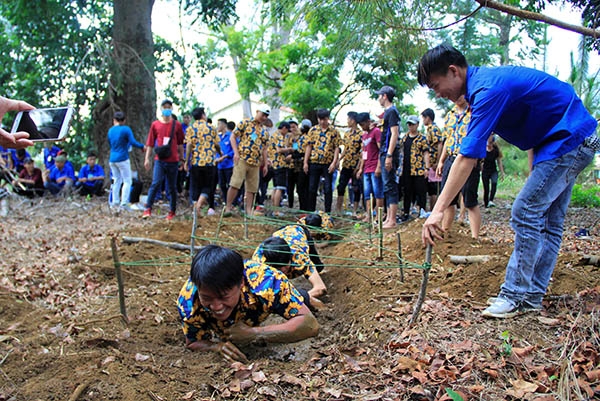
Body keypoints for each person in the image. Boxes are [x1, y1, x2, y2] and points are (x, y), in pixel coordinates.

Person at [418, 44, 598, 318]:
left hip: (569, 138)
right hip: (563, 139)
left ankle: (514, 295)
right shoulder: (483, 89)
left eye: (435, 85)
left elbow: (467, 157)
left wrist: (438, 210)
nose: (437, 94)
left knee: (525, 211)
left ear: (453, 71)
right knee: (548, 221)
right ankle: (530, 296)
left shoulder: (489, 90)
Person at [177, 245, 319, 363]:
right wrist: (216, 347)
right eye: (207, 298)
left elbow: (310, 324)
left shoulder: (268, 282)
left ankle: (309, 298)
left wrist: (254, 334)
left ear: (241, 283)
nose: (216, 306)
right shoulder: (188, 301)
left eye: (223, 297)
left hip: (267, 302)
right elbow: (193, 342)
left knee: (300, 298)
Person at [434, 95, 482, 240]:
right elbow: (447, 140)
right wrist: (441, 161)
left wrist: (477, 158)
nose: (457, 98)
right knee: (447, 198)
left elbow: (480, 137)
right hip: (450, 158)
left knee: (470, 200)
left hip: (468, 159)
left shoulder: (475, 113)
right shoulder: (450, 115)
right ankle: (445, 231)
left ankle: (475, 237)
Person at [252, 224, 327, 307]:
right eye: (279, 267)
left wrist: (303, 298)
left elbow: (321, 288)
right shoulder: (259, 264)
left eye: (286, 264)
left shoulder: (299, 257)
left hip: (298, 230)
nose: (284, 269)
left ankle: (318, 271)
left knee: (318, 265)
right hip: (279, 233)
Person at [142, 99, 185, 221]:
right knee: (156, 183)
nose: (167, 109)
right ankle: (148, 208)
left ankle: (172, 211)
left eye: (169, 107)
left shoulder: (176, 124)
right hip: (160, 159)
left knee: (171, 187)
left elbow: (180, 144)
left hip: (173, 160)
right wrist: (147, 159)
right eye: (164, 107)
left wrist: (182, 159)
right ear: (161, 109)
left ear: (171, 108)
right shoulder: (155, 124)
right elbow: (150, 143)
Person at [224, 108, 270, 216]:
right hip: (242, 159)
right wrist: (236, 153)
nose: (264, 118)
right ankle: (228, 207)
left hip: (256, 162)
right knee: (235, 183)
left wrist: (265, 164)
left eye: (266, 116)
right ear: (257, 111)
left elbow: (264, 148)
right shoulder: (245, 123)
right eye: (263, 114)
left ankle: (249, 210)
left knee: (252, 188)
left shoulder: (264, 131)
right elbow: (233, 137)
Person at [303, 108, 341, 213]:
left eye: (324, 119)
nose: (322, 122)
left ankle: (327, 212)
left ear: (328, 119)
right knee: (312, 188)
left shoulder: (334, 131)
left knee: (328, 189)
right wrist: (305, 162)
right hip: (314, 162)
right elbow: (309, 146)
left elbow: (337, 147)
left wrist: (334, 162)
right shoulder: (313, 130)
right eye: (320, 119)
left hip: (327, 163)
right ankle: (311, 212)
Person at [186, 107, 220, 215]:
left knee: (196, 186)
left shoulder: (191, 128)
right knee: (208, 186)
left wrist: (187, 160)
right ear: (203, 115)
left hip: (196, 162)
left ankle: (197, 209)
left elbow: (189, 145)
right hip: (209, 162)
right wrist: (221, 153)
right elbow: (216, 144)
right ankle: (198, 207)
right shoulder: (211, 127)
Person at [108, 111, 145, 210]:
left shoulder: (110, 131)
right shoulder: (126, 129)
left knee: (116, 180)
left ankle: (115, 202)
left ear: (114, 120)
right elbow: (132, 142)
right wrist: (142, 146)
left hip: (112, 158)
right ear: (124, 120)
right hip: (123, 158)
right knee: (127, 180)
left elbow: (110, 144)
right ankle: (124, 203)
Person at [375, 86, 400, 229]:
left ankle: (392, 219)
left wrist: (389, 155)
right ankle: (389, 218)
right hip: (385, 153)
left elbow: (394, 134)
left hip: (389, 153)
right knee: (387, 185)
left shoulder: (392, 111)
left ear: (384, 96)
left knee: (390, 185)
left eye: (379, 96)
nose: (378, 98)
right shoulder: (387, 113)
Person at [398, 115, 430, 221]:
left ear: (417, 125)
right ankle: (406, 212)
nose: (410, 126)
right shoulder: (404, 138)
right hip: (406, 169)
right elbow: (401, 153)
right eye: (409, 124)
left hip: (418, 169)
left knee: (421, 191)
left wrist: (427, 168)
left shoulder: (422, 138)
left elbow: (426, 153)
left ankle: (422, 211)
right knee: (407, 191)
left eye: (412, 124)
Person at [356, 113, 384, 223]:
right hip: (366, 168)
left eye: (363, 124)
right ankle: (369, 215)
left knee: (378, 192)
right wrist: (360, 168)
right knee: (367, 193)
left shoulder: (376, 132)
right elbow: (364, 152)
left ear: (368, 121)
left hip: (374, 167)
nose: (362, 127)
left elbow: (381, 150)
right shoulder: (364, 136)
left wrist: (379, 166)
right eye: (360, 125)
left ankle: (378, 215)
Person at [336, 112, 363, 215]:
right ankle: (339, 209)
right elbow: (345, 149)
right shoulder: (347, 134)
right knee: (341, 186)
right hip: (346, 164)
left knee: (356, 187)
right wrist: (339, 159)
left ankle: (355, 211)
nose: (347, 121)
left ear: (353, 120)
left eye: (348, 119)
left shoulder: (361, 135)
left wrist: (359, 166)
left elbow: (362, 152)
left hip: (356, 165)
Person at [421, 108, 444, 211]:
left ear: (428, 118)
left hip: (434, 162)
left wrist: (438, 161)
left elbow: (440, 144)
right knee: (430, 187)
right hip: (430, 163)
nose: (422, 120)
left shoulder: (434, 129)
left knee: (433, 188)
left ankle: (433, 210)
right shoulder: (429, 129)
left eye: (423, 118)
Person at [270, 121, 293, 214]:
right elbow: (279, 149)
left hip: (274, 164)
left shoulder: (273, 135)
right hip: (280, 164)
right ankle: (276, 211)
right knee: (280, 188)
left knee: (275, 187)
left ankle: (274, 208)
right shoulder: (279, 136)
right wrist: (289, 149)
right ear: (284, 128)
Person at [482, 134, 505, 208]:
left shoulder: (496, 149)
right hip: (485, 170)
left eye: (491, 136)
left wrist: (502, 172)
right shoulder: (483, 149)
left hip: (493, 170)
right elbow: (480, 161)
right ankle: (486, 202)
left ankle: (491, 200)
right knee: (486, 188)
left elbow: (499, 161)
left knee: (494, 183)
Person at [216, 119, 234, 205]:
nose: (218, 126)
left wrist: (226, 156)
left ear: (224, 125)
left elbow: (235, 150)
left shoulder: (231, 136)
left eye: (219, 124)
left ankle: (231, 202)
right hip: (220, 165)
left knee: (230, 184)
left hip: (229, 165)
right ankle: (226, 200)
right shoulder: (218, 138)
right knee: (222, 184)